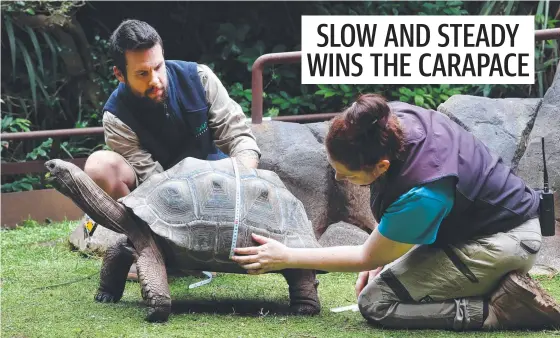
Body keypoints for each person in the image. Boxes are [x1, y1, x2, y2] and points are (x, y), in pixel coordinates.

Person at [231, 93, 560, 330]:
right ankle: (487, 282)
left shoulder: (423, 192)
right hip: (477, 225)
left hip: (506, 240)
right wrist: (385, 253)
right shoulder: (388, 121)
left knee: (377, 303)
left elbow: (366, 257)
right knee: (390, 274)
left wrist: (287, 256)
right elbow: (382, 248)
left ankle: (497, 310)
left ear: (381, 166)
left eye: (346, 174)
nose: (338, 178)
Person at [82, 19, 261, 280]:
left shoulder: (199, 78)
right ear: (119, 75)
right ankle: (148, 249)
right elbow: (151, 180)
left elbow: (240, 136)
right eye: (142, 74)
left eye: (158, 67)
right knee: (99, 166)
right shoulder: (116, 117)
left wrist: (241, 180)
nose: (155, 80)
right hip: (161, 198)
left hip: (219, 185)